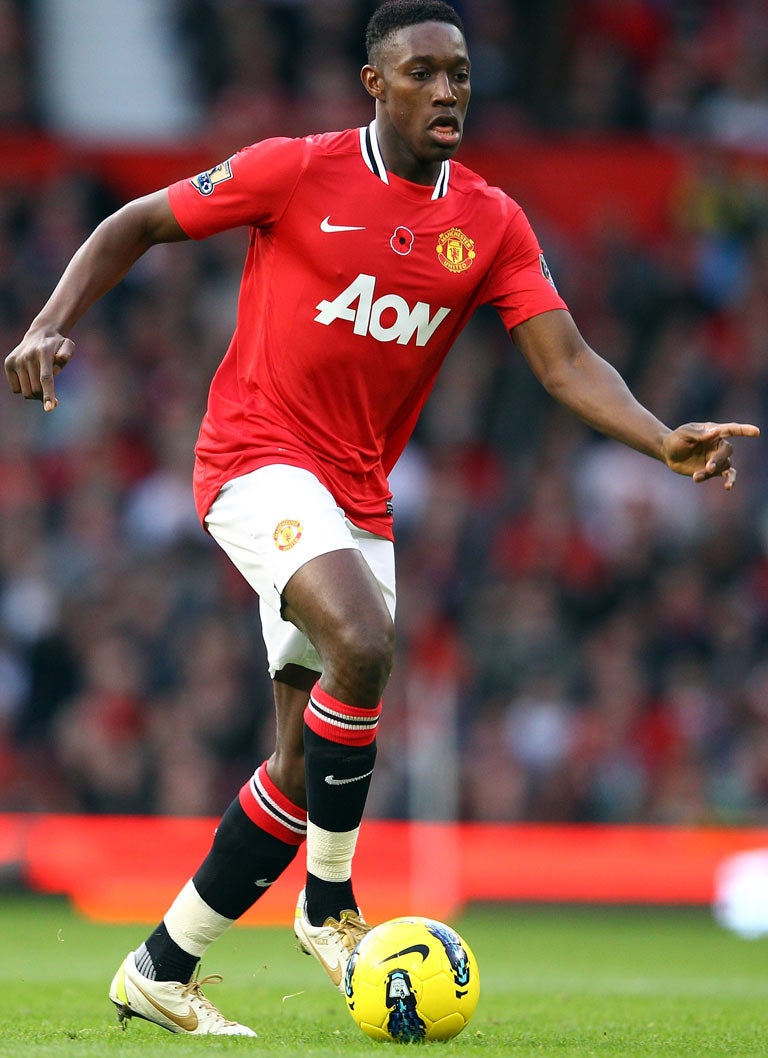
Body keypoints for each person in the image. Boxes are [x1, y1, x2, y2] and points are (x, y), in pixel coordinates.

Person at [4, 0, 759, 1039]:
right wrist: (49, 325)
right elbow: (133, 222)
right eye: (423, 73)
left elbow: (565, 360)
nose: (448, 91)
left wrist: (660, 436)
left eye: (460, 73)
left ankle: (160, 968)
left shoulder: (489, 221)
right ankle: (330, 905)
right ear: (375, 84)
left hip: (358, 494)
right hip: (254, 459)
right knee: (363, 641)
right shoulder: (294, 169)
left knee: (299, 765)